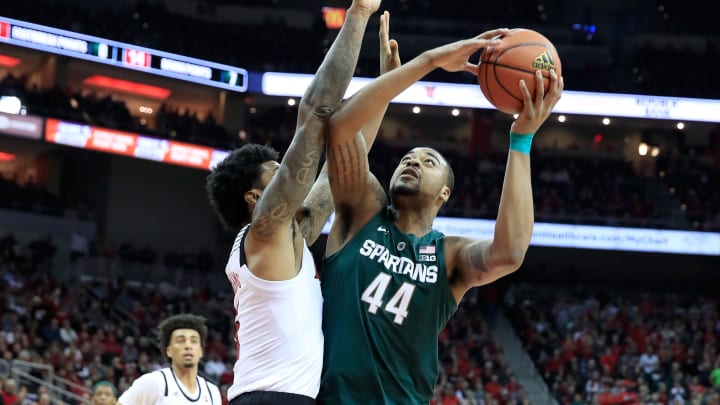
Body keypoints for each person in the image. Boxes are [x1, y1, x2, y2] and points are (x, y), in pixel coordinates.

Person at [317, 29, 564, 404]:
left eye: (428, 160)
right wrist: (426, 62)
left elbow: (510, 253)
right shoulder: (361, 212)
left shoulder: (449, 256)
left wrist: (522, 139)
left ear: (444, 192)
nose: (413, 160)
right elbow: (340, 128)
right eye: (407, 158)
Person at [204, 1, 398, 403]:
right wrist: (359, 13)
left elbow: (339, 169)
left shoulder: (287, 238)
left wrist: (386, 86)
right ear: (256, 198)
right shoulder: (265, 232)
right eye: (277, 174)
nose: (289, 176)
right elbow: (315, 111)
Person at [117, 314, 222, 405]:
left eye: (193, 341)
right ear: (169, 351)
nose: (188, 346)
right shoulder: (154, 382)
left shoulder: (212, 392)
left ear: (200, 351)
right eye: (181, 341)